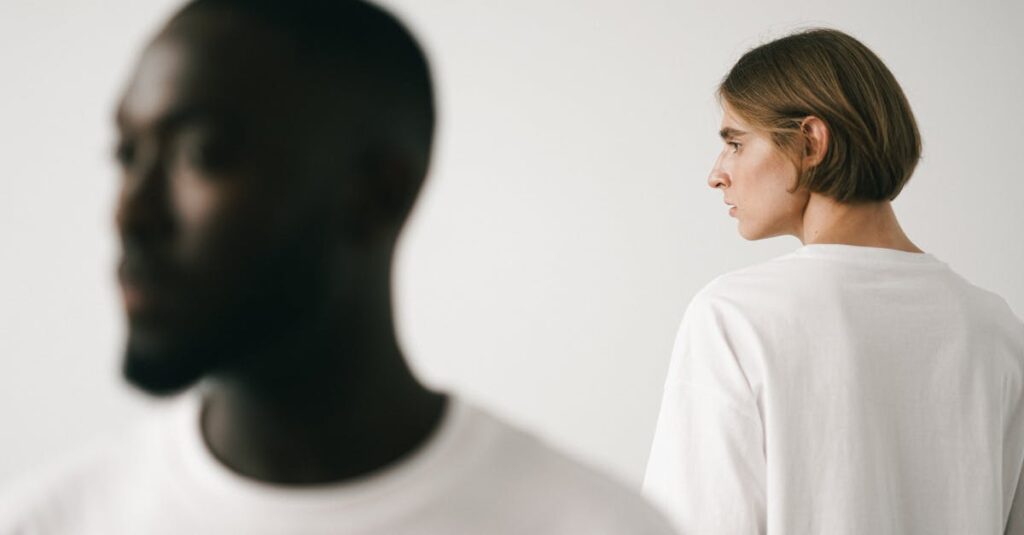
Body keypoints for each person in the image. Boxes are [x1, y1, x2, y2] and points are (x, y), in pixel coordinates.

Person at [0, 1, 676, 533]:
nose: (129, 212)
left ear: (377, 193)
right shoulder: (41, 521)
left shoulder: (595, 525)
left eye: (202, 153)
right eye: (126, 155)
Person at [643, 28, 1024, 534]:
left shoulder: (736, 316)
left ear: (810, 142)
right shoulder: (993, 326)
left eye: (735, 143)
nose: (717, 173)